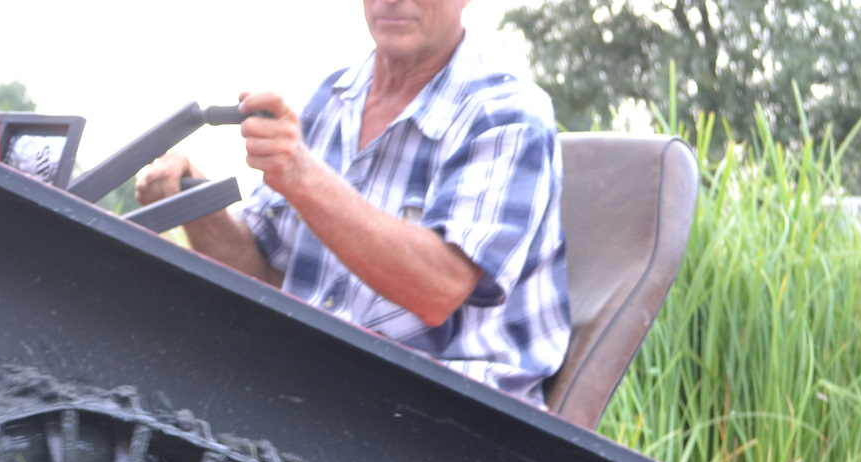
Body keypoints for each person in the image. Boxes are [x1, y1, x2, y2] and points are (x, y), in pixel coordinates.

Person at [136, 0, 570, 404]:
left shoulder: (507, 115)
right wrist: (196, 204)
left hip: (450, 416)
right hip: (315, 387)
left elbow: (438, 290)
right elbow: (265, 273)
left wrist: (303, 176)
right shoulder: (330, 96)